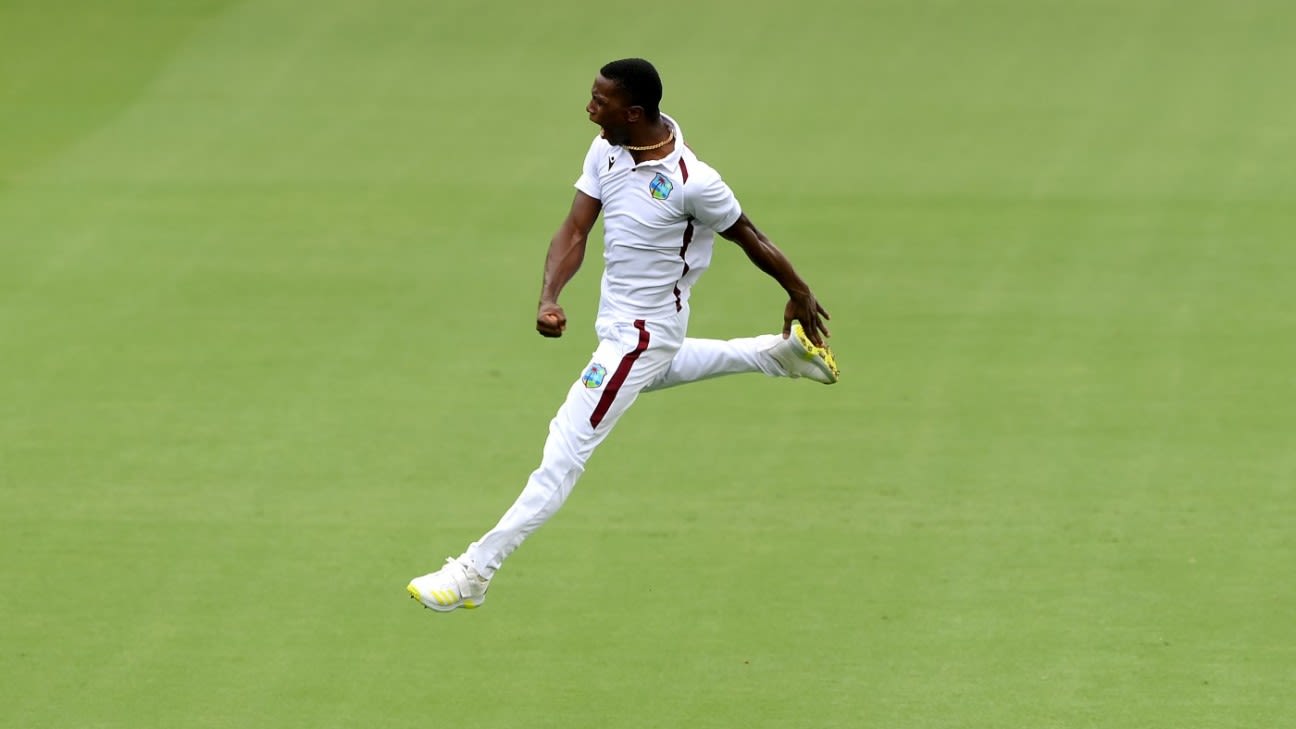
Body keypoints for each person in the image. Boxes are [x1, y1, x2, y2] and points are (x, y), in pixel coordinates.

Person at [407, 58, 838, 612]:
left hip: (640, 336)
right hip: (622, 332)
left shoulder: (692, 182)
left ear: (634, 112)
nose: (589, 108)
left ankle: (474, 572)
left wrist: (799, 292)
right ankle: (777, 357)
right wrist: (549, 296)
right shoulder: (607, 150)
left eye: (599, 101)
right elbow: (576, 228)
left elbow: (750, 237)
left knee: (564, 447)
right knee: (652, 371)